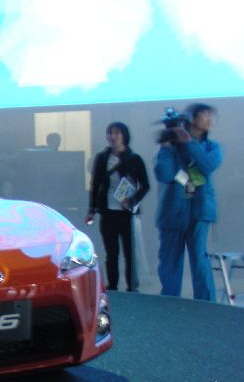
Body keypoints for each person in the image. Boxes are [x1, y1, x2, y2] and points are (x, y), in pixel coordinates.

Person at [154, 103, 222, 301]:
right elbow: (164, 174)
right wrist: (166, 147)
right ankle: (170, 305)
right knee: (170, 262)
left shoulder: (212, 147)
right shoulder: (172, 147)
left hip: (200, 211)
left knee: (200, 260)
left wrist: (188, 142)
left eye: (210, 115)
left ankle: (205, 305)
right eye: (204, 115)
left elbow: (207, 166)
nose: (209, 119)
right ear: (192, 118)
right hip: (172, 211)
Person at [86, 122, 150, 292]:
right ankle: (113, 286)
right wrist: (92, 209)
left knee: (130, 253)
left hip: (127, 213)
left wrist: (132, 200)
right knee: (111, 252)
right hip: (107, 212)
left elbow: (145, 186)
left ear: (124, 136)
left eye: (117, 133)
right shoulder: (102, 158)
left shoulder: (134, 159)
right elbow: (95, 184)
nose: (113, 137)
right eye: (110, 133)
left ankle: (132, 286)